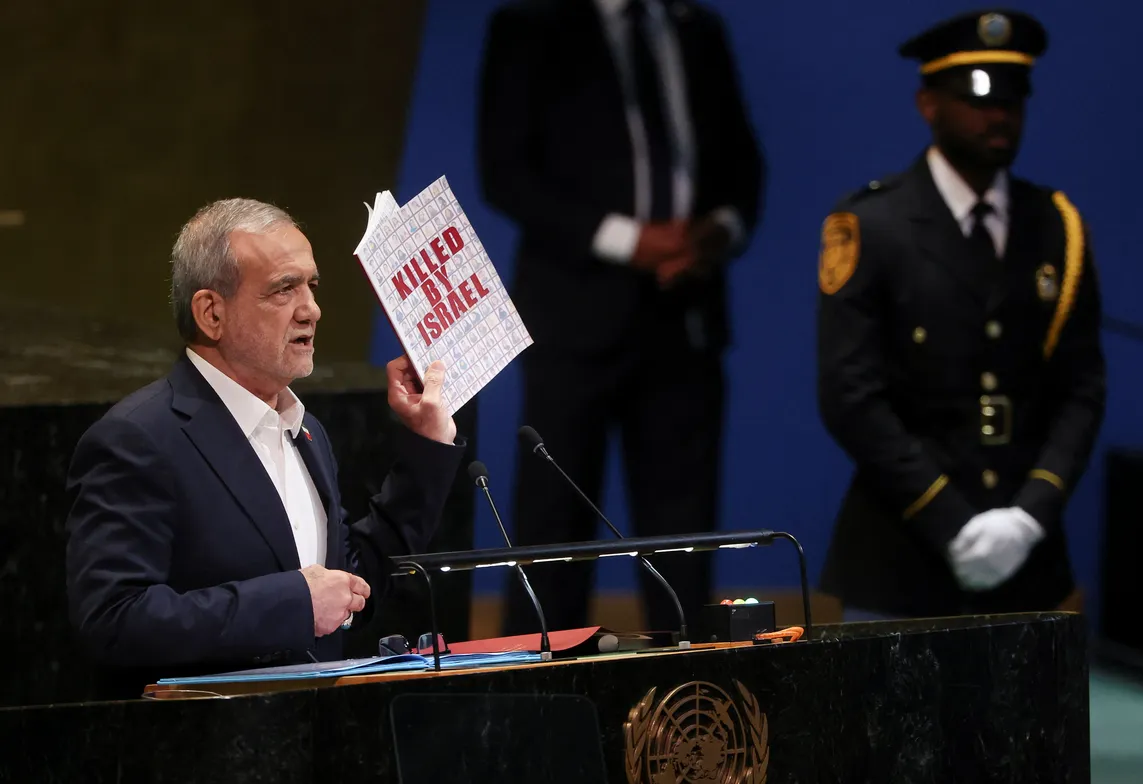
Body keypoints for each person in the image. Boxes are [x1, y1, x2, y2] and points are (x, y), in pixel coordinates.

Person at [64, 199, 464, 696]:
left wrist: (428, 444)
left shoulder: (306, 430)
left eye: (312, 285)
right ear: (212, 313)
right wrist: (294, 605)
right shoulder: (138, 438)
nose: (311, 309)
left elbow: (347, 589)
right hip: (204, 739)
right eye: (283, 289)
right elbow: (113, 619)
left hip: (313, 734)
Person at [477, 0, 763, 635]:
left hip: (686, 318)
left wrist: (716, 232)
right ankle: (543, 689)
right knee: (553, 531)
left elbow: (743, 165)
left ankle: (688, 692)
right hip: (572, 316)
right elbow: (506, 174)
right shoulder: (531, 26)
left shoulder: (696, 29)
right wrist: (631, 241)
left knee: (684, 541)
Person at [816, 10, 1106, 620]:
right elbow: (850, 396)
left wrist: (1031, 515)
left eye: (1012, 99)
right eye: (977, 98)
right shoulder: (872, 225)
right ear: (928, 104)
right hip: (903, 555)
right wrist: (949, 519)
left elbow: (1081, 387)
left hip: (1029, 563)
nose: (998, 115)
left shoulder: (1058, 225)